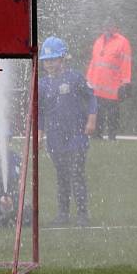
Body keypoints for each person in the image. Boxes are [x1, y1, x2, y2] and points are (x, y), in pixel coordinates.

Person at [38, 36, 97, 227]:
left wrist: (91, 119)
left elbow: (91, 98)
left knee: (76, 173)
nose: (50, 64)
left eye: (54, 59)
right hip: (55, 138)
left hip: (76, 135)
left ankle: (82, 214)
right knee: (61, 175)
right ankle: (63, 213)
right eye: (47, 61)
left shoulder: (75, 78)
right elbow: (39, 112)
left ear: (63, 59)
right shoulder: (42, 84)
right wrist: (39, 134)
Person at [86, 24, 131, 140]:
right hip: (97, 88)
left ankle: (112, 137)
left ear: (115, 26)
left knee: (113, 115)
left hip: (113, 88)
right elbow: (93, 63)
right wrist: (88, 81)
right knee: (98, 114)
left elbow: (126, 64)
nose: (107, 28)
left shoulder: (123, 42)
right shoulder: (98, 41)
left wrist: (125, 83)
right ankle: (97, 136)